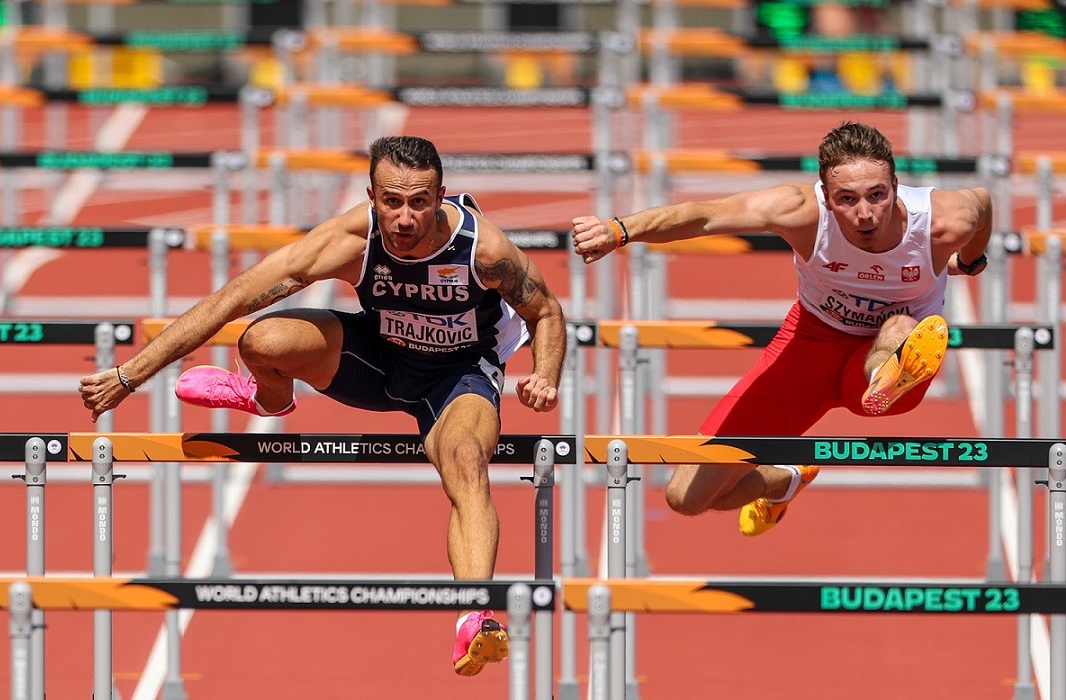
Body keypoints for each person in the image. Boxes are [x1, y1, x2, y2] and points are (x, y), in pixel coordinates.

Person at [79, 135, 565, 676]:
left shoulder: (485, 251)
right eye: (392, 202)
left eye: (420, 202)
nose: (405, 219)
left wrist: (544, 375)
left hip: (457, 376)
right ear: (372, 197)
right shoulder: (349, 242)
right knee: (261, 341)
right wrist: (131, 374)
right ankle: (266, 397)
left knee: (466, 460)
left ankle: (474, 615)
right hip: (376, 359)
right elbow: (232, 298)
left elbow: (546, 312)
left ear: (441, 195)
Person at [570, 121, 990, 536]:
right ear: (825, 197)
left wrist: (969, 259)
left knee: (898, 325)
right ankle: (787, 477)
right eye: (846, 199)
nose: (865, 213)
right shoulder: (800, 210)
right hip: (809, 347)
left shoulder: (942, 220)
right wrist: (619, 230)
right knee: (686, 497)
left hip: (889, 356)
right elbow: (705, 216)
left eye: (877, 195)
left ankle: (887, 373)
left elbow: (982, 203)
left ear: (896, 185)